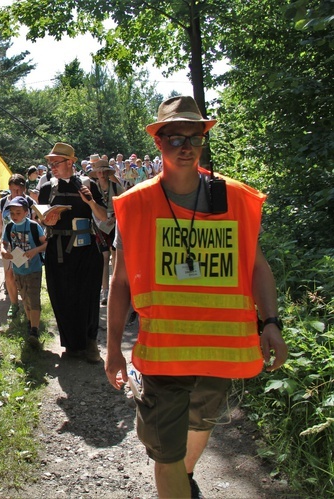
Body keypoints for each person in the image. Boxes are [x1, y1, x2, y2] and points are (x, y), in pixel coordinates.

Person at [105, 96, 288, 498]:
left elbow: (257, 267)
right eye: (174, 138)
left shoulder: (234, 198)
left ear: (203, 141)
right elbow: (119, 284)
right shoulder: (135, 205)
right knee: (165, 453)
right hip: (163, 356)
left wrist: (271, 323)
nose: (185, 146)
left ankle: (184, 481)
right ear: (158, 142)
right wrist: (113, 348)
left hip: (220, 353)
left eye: (195, 137)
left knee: (199, 426)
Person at [38, 143, 108, 363]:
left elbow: (104, 216)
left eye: (56, 162)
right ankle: (71, 345)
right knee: (62, 295)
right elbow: (39, 217)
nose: (52, 167)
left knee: (88, 296)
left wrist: (90, 201)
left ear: (70, 162)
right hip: (58, 249)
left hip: (86, 249)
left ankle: (90, 343)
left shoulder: (89, 185)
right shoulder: (47, 188)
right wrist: (46, 220)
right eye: (50, 163)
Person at [0, 196, 47, 348]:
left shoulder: (34, 226)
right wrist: (3, 251)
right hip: (18, 268)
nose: (14, 216)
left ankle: (34, 330)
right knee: (25, 297)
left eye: (18, 212)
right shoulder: (9, 227)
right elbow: (4, 243)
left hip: (34, 268)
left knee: (33, 298)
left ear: (26, 212)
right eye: (12, 213)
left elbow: (45, 243)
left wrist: (35, 251)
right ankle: (30, 322)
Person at [0, 174, 37, 319]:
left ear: (24, 189)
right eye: (13, 190)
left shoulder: (30, 202)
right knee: (9, 274)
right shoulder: (2, 203)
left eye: (19, 190)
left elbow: (36, 223)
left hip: (27, 245)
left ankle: (29, 304)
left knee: (26, 275)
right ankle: (14, 304)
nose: (16, 193)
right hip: (9, 244)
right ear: (9, 188)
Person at [89, 157, 124, 306]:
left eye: (104, 171)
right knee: (104, 257)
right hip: (99, 226)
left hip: (115, 224)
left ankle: (116, 289)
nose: (101, 173)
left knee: (115, 257)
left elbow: (124, 205)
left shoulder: (116, 187)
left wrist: (115, 217)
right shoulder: (92, 188)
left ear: (108, 172)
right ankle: (105, 291)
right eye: (99, 171)